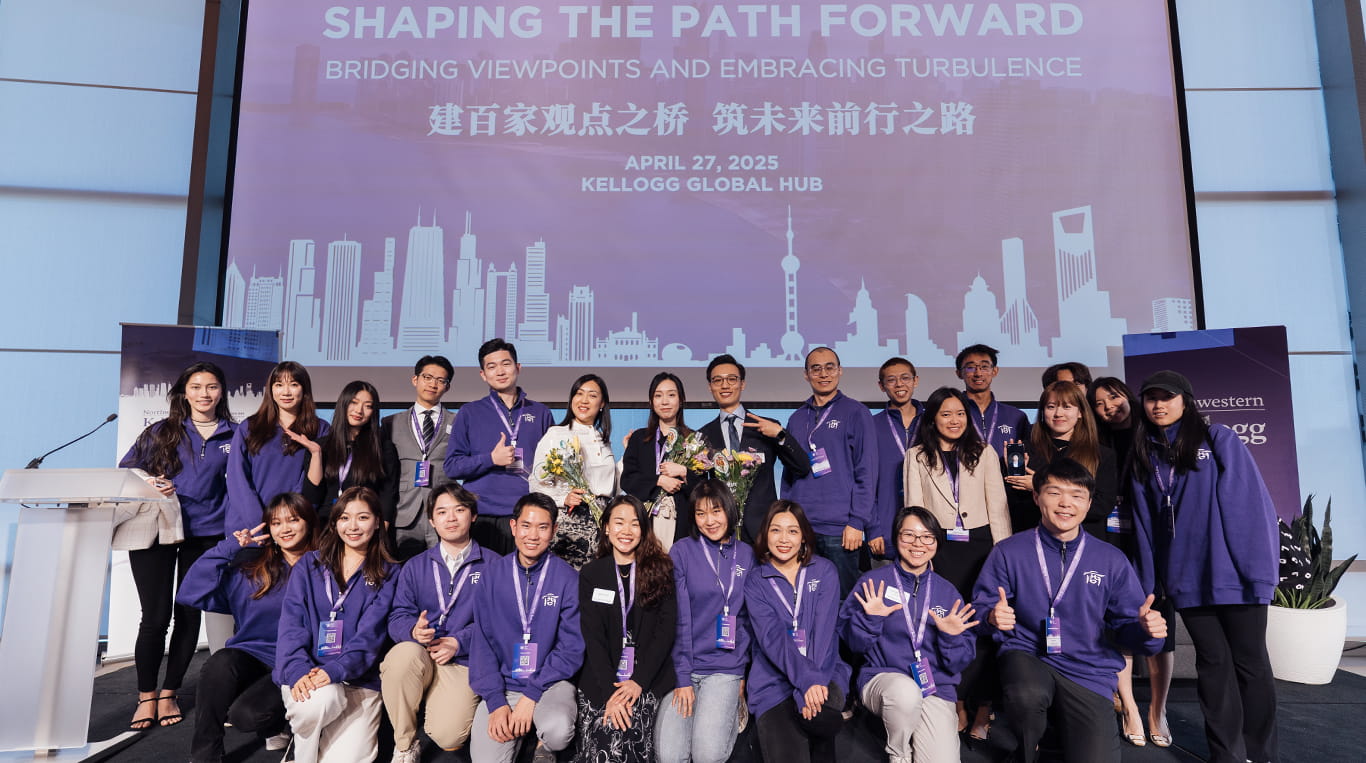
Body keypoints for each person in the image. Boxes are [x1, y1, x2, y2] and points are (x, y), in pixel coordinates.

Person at [973, 458, 1168, 763]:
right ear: (1037, 497)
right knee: (1026, 696)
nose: (1065, 503)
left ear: (1089, 504)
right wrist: (991, 617)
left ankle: (1059, 740)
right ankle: (1028, 751)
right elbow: (981, 608)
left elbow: (1129, 628)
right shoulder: (1010, 551)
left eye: (1077, 495)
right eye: (1054, 493)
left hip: (1088, 667)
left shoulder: (1111, 559)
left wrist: (1147, 632)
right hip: (1028, 653)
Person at [1128, 371, 1279, 763]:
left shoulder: (1218, 439)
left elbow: (1250, 505)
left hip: (1234, 575)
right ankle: (1225, 754)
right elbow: (1144, 525)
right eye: (1151, 398)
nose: (1159, 405)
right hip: (1186, 578)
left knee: (1250, 663)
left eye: (1168, 397)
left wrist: (1257, 572)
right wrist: (1150, 583)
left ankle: (1260, 753)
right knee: (1212, 666)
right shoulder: (1145, 455)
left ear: (1186, 401)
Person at [119, 361, 236, 730]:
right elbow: (126, 473)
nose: (205, 393)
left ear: (222, 392)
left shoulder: (237, 435)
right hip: (158, 531)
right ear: (184, 392)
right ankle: (146, 696)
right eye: (197, 386)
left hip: (206, 536)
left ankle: (170, 692)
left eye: (212, 386)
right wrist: (153, 483)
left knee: (188, 615)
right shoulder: (160, 432)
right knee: (155, 618)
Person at [903, 386, 1010, 742]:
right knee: (945, 626)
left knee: (984, 629)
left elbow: (999, 508)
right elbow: (914, 512)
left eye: (960, 413)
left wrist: (1004, 557)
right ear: (933, 418)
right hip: (940, 549)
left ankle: (983, 708)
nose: (954, 420)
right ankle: (956, 701)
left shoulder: (985, 452)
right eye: (946, 413)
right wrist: (921, 556)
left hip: (981, 549)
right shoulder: (916, 456)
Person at [178, 492, 318, 761]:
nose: (285, 529)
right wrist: (227, 548)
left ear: (309, 523)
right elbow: (190, 593)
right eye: (276, 523)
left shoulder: (325, 568)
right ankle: (205, 756)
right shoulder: (250, 570)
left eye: (293, 520)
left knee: (247, 716)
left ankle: (282, 724)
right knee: (220, 663)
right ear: (269, 529)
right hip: (252, 658)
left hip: (297, 661)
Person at [839, 506, 980, 763]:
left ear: (936, 542)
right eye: (909, 535)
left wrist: (949, 637)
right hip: (883, 680)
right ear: (896, 538)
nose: (918, 544)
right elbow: (853, 644)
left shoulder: (947, 593)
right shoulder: (874, 583)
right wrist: (871, 619)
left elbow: (959, 662)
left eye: (927, 536)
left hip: (934, 688)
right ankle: (899, 754)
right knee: (905, 693)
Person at [275, 486, 398, 763]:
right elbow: (291, 626)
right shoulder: (309, 564)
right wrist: (298, 671)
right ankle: (300, 754)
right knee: (323, 700)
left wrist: (335, 670)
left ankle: (309, 735)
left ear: (378, 522)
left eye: (363, 518)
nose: (352, 526)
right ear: (335, 523)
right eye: (344, 518)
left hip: (357, 680)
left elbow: (370, 636)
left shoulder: (389, 573)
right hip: (306, 673)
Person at [1088, 376, 1173, 746]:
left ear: (1128, 396)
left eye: (1114, 398)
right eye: (1100, 404)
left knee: (1158, 620)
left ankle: (1158, 708)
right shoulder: (1097, 443)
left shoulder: (1155, 435)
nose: (1109, 408)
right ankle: (1131, 707)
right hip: (1112, 538)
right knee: (1121, 618)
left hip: (1152, 539)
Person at [469, 493, 584, 762]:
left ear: (554, 530)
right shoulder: (492, 575)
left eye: (543, 527)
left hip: (550, 684)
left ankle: (541, 741)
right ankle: (519, 734)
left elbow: (570, 648)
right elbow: (482, 643)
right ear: (513, 527)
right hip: (504, 686)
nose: (533, 535)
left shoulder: (567, 579)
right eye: (526, 526)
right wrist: (496, 703)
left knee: (558, 731)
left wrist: (532, 695)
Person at [381, 482, 489, 762]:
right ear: (431, 520)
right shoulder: (415, 566)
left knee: (448, 736)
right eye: (442, 512)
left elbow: (501, 625)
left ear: (473, 515)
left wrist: (458, 641)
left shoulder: (495, 566)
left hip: (462, 660)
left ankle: (431, 698)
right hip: (420, 652)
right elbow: (397, 616)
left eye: (459, 510)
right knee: (400, 659)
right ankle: (405, 745)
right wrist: (413, 630)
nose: (451, 518)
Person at [744, 500, 851, 763]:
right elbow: (772, 638)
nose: (784, 539)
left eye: (793, 531)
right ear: (765, 534)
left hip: (823, 671)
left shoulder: (824, 571)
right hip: (773, 679)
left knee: (818, 713)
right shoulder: (756, 581)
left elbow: (823, 636)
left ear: (804, 536)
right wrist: (801, 683)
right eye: (776, 530)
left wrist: (809, 682)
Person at [657, 480, 755, 763]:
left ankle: (732, 705)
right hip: (685, 667)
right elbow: (680, 620)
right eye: (701, 513)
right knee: (670, 757)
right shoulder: (682, 551)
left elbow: (747, 619)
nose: (710, 521)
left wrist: (741, 673)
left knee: (707, 756)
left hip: (724, 669)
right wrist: (683, 678)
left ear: (730, 510)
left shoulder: (746, 555)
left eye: (716, 511)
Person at [575, 495, 678, 761]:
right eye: (619, 522)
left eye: (634, 524)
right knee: (606, 735)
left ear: (643, 530)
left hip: (647, 678)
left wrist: (638, 682)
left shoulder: (660, 570)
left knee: (627, 732)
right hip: (602, 679)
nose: (626, 531)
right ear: (606, 527)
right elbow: (593, 638)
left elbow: (664, 633)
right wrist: (611, 692)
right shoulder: (591, 574)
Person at [780, 347, 877, 598]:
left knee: (845, 600)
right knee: (806, 599)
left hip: (841, 530)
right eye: (816, 368)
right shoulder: (797, 418)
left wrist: (857, 522)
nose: (823, 373)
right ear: (806, 375)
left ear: (840, 371)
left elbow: (866, 472)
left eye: (829, 367)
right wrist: (788, 521)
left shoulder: (857, 413)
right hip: (803, 528)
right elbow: (789, 474)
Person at [444, 339, 554, 556]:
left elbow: (552, 467)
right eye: (491, 366)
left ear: (518, 367)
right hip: (482, 516)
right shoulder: (469, 412)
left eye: (506, 364)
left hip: (527, 516)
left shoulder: (541, 413)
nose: (500, 371)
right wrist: (490, 459)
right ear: (483, 375)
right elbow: (452, 466)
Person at [697, 354, 810, 544]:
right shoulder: (703, 436)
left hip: (762, 530)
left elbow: (802, 467)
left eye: (732, 379)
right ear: (710, 387)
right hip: (721, 532)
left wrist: (781, 435)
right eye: (718, 380)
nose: (725, 385)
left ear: (742, 384)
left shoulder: (767, 426)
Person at [1005, 381, 1117, 537]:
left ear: (1080, 412)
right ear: (1043, 412)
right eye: (1051, 407)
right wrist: (1011, 469)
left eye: (1067, 407)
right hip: (1032, 537)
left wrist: (1039, 486)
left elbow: (1102, 506)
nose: (1058, 414)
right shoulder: (1024, 450)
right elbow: (1012, 505)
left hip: (1082, 540)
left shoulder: (1101, 454)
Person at [530, 373, 618, 569]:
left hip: (601, 524)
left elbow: (610, 486)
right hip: (570, 524)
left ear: (602, 403)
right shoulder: (556, 434)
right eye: (579, 394)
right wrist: (563, 498)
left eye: (592, 395)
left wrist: (628, 454)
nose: (584, 400)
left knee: (595, 586)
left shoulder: (602, 439)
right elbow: (535, 483)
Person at [227, 361, 327, 533]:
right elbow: (238, 480)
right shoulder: (249, 427)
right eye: (279, 385)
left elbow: (313, 483)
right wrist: (261, 524)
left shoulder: (321, 429)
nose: (286, 392)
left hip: (297, 528)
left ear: (304, 390)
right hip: (251, 531)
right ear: (271, 389)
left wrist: (289, 520)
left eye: (293, 385)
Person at [382, 355, 457, 560]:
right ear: (415, 380)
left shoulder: (458, 422)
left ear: (447, 387)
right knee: (404, 574)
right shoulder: (390, 423)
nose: (433, 384)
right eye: (428, 377)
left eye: (441, 380)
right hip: (403, 513)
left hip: (442, 513)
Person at [621, 372, 705, 549]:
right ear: (651, 402)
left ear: (681, 399)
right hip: (645, 524)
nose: (664, 401)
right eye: (658, 396)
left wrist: (684, 472)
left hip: (682, 526)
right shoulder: (639, 438)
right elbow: (627, 480)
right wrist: (659, 480)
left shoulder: (694, 441)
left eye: (671, 395)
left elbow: (703, 490)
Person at [303, 380, 399, 525]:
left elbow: (388, 494)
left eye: (368, 406)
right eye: (354, 402)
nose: (359, 410)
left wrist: (382, 528)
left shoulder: (382, 448)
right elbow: (312, 496)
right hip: (326, 524)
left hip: (363, 525)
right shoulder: (320, 446)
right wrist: (316, 454)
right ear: (344, 404)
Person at [870, 357, 923, 560]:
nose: (899, 384)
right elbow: (865, 483)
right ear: (881, 386)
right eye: (891, 380)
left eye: (905, 378)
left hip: (925, 530)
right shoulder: (871, 425)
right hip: (885, 529)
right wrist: (873, 530)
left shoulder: (932, 423)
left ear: (915, 380)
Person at [954, 344, 1029, 458]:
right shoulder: (950, 414)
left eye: (984, 367)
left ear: (995, 371)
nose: (978, 373)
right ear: (959, 373)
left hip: (1005, 476)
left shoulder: (1016, 416)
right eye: (970, 367)